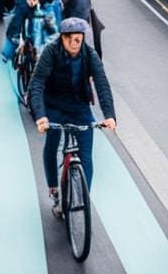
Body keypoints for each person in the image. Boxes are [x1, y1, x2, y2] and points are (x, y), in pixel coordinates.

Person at [28, 16, 116, 217]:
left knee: (86, 155)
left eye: (78, 39)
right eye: (70, 39)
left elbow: (102, 84)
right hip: (54, 107)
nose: (74, 43)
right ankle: (54, 189)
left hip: (80, 108)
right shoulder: (51, 52)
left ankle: (83, 199)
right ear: (62, 37)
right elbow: (37, 83)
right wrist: (41, 116)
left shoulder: (89, 54)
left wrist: (110, 115)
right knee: (52, 145)